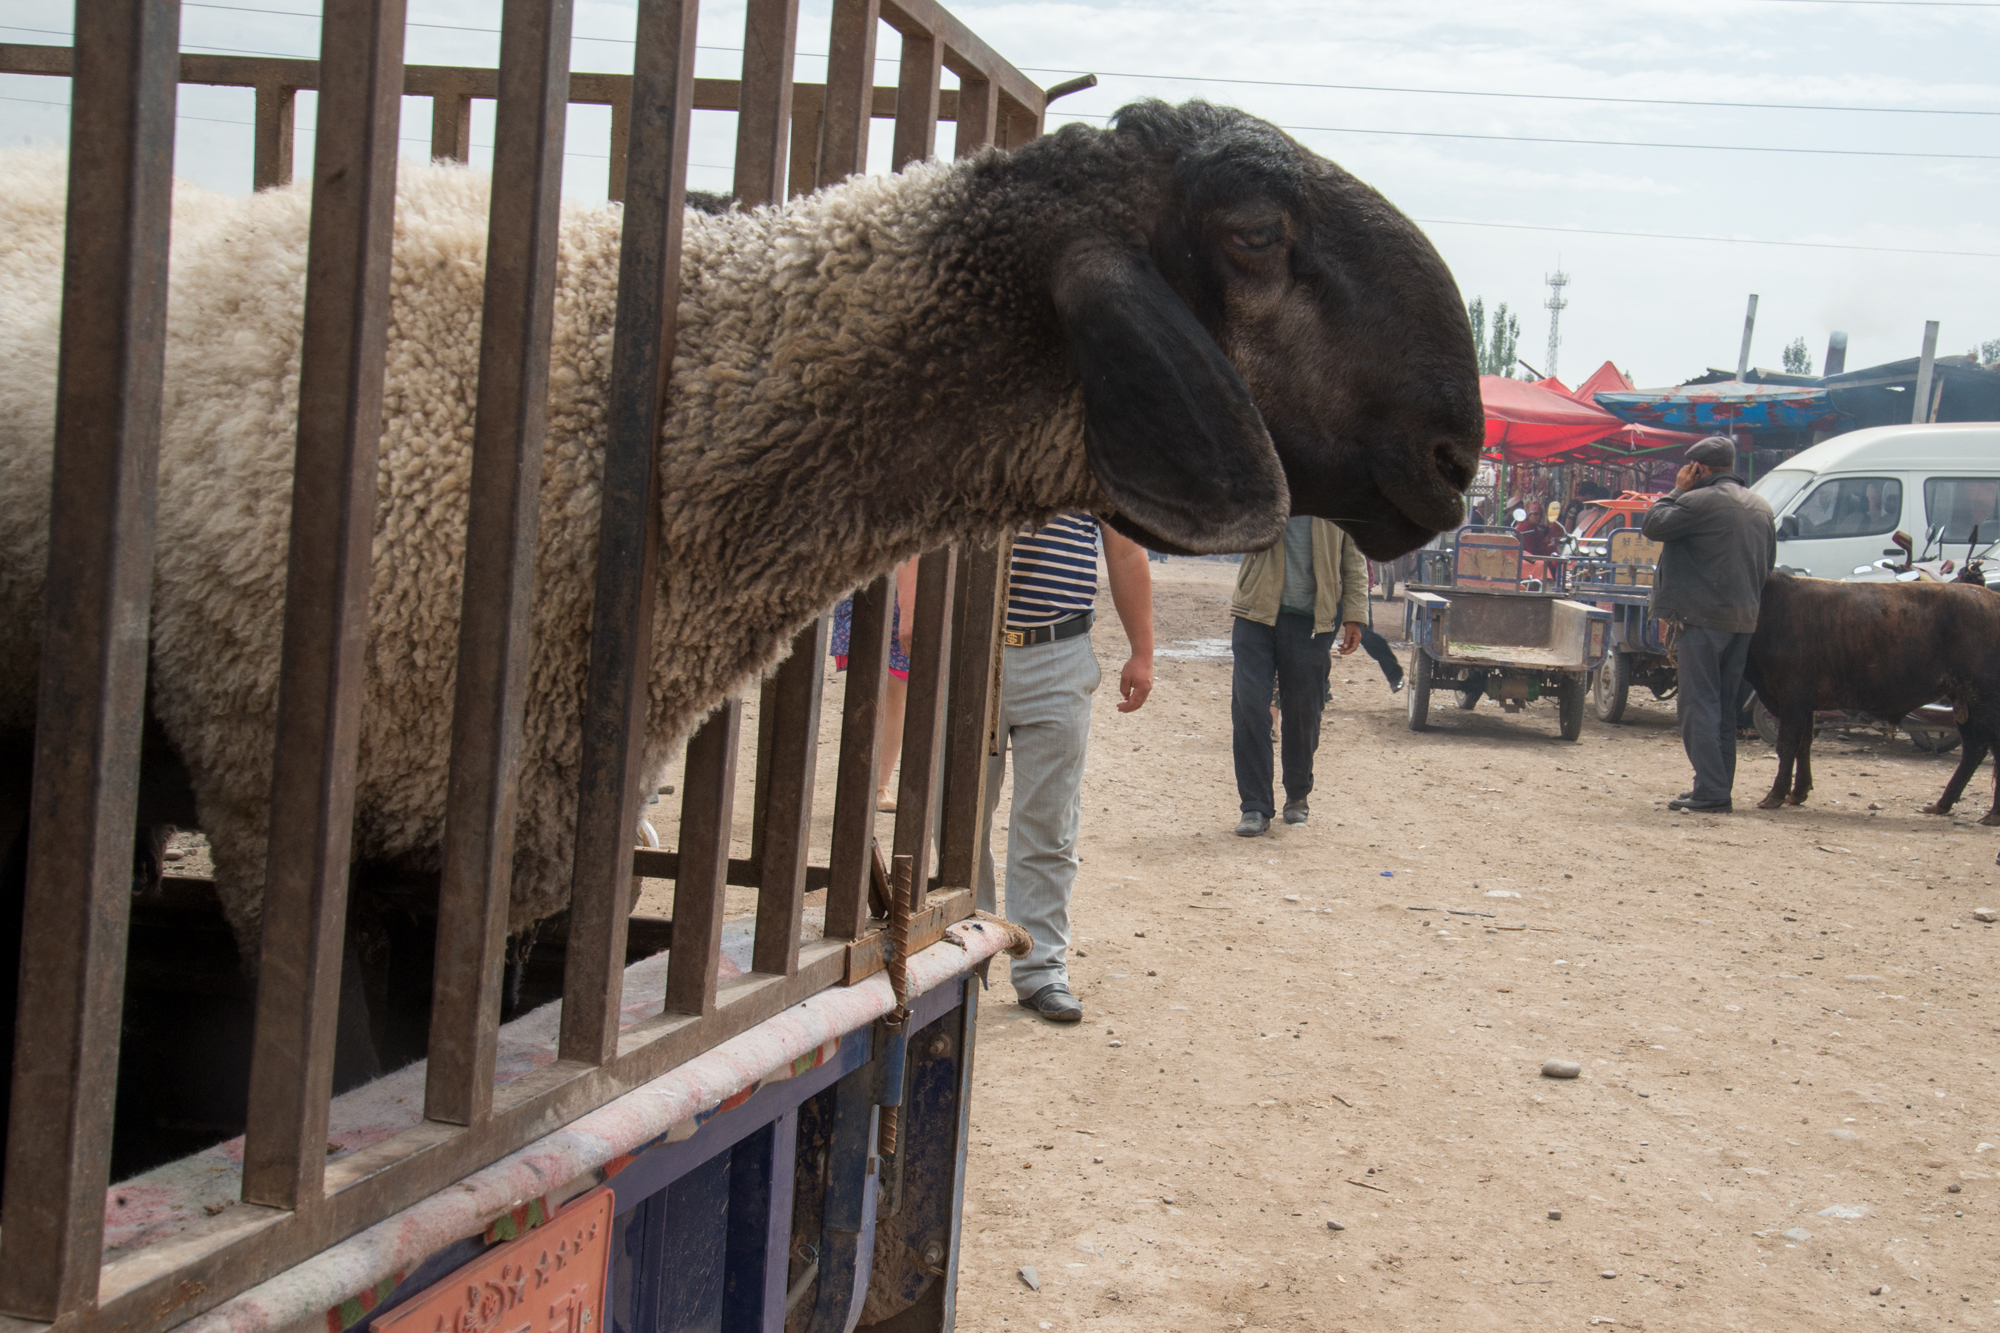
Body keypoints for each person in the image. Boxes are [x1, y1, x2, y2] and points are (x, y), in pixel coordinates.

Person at [977, 514, 1154, 1024]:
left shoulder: (1092, 450)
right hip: (970, 645)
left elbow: (1124, 552)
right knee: (962, 818)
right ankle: (966, 954)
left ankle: (1040, 970)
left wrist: (1142, 651)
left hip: (1057, 652)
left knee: (1049, 825)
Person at [1641, 436, 1776, 813]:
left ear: (1699, 468)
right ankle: (1715, 787)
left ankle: (1712, 793)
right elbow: (1767, 566)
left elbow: (1652, 524)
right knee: (1723, 708)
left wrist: (1675, 489)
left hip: (1702, 621)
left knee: (1698, 705)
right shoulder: (1761, 507)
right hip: (1743, 620)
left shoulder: (1696, 501)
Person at [1228, 515, 1367, 836]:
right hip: (1255, 612)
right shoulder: (1266, 480)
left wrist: (1356, 615)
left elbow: (1353, 558)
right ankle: (1255, 805)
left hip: (1312, 620)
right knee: (1249, 706)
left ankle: (1297, 791)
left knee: (1304, 709)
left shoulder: (1336, 492)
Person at [829, 558, 917, 811]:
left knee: (893, 695)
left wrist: (907, 605)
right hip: (866, 580)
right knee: (864, 692)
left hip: (901, 591)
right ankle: (859, 781)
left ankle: (879, 784)